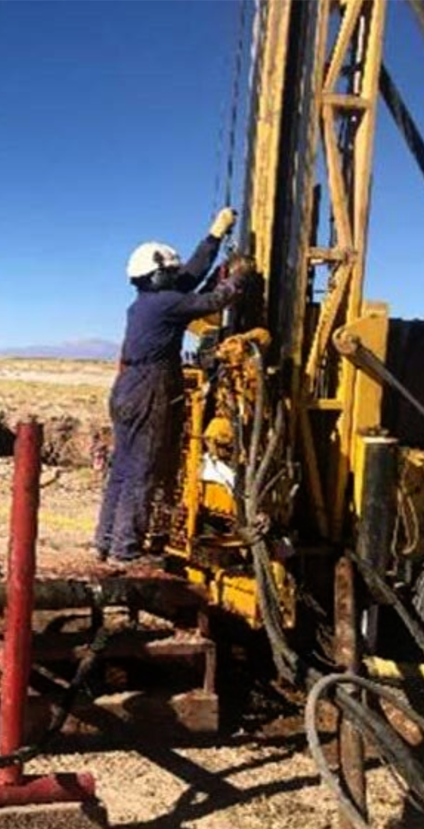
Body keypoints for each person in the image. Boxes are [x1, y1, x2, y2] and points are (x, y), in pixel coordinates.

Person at [94, 206, 253, 564]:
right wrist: (239, 278)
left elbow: (191, 275)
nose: (176, 276)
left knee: (122, 469)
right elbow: (215, 300)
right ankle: (126, 550)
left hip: (128, 386)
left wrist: (215, 236)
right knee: (143, 470)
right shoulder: (166, 304)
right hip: (149, 389)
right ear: (157, 275)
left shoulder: (147, 302)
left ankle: (105, 542)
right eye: (169, 272)